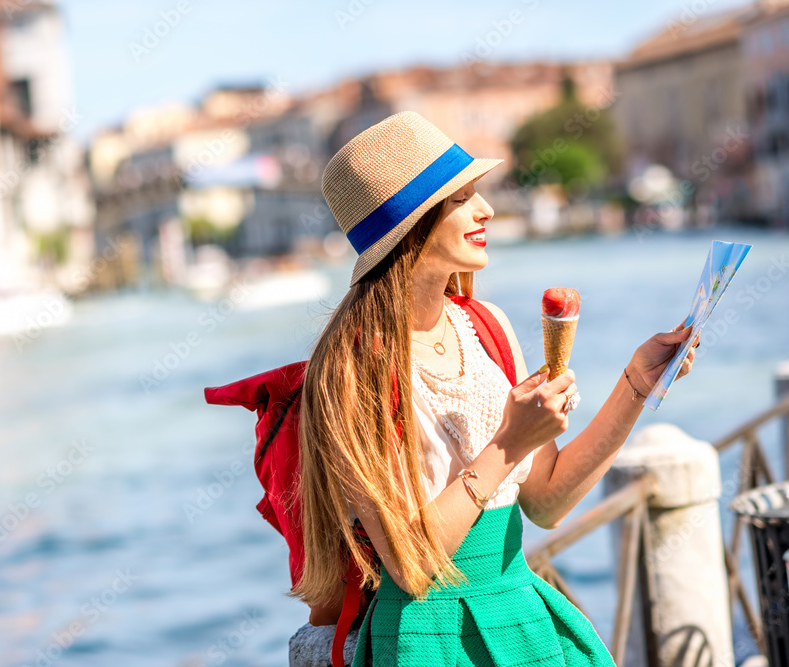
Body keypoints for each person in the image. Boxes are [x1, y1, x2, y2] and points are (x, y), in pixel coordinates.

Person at [289, 111, 698, 666]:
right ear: (412, 223)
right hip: (425, 639)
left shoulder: (489, 327)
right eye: (462, 198)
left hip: (522, 614)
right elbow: (411, 565)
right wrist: (509, 443)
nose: (487, 209)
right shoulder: (349, 368)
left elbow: (547, 501)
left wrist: (635, 385)